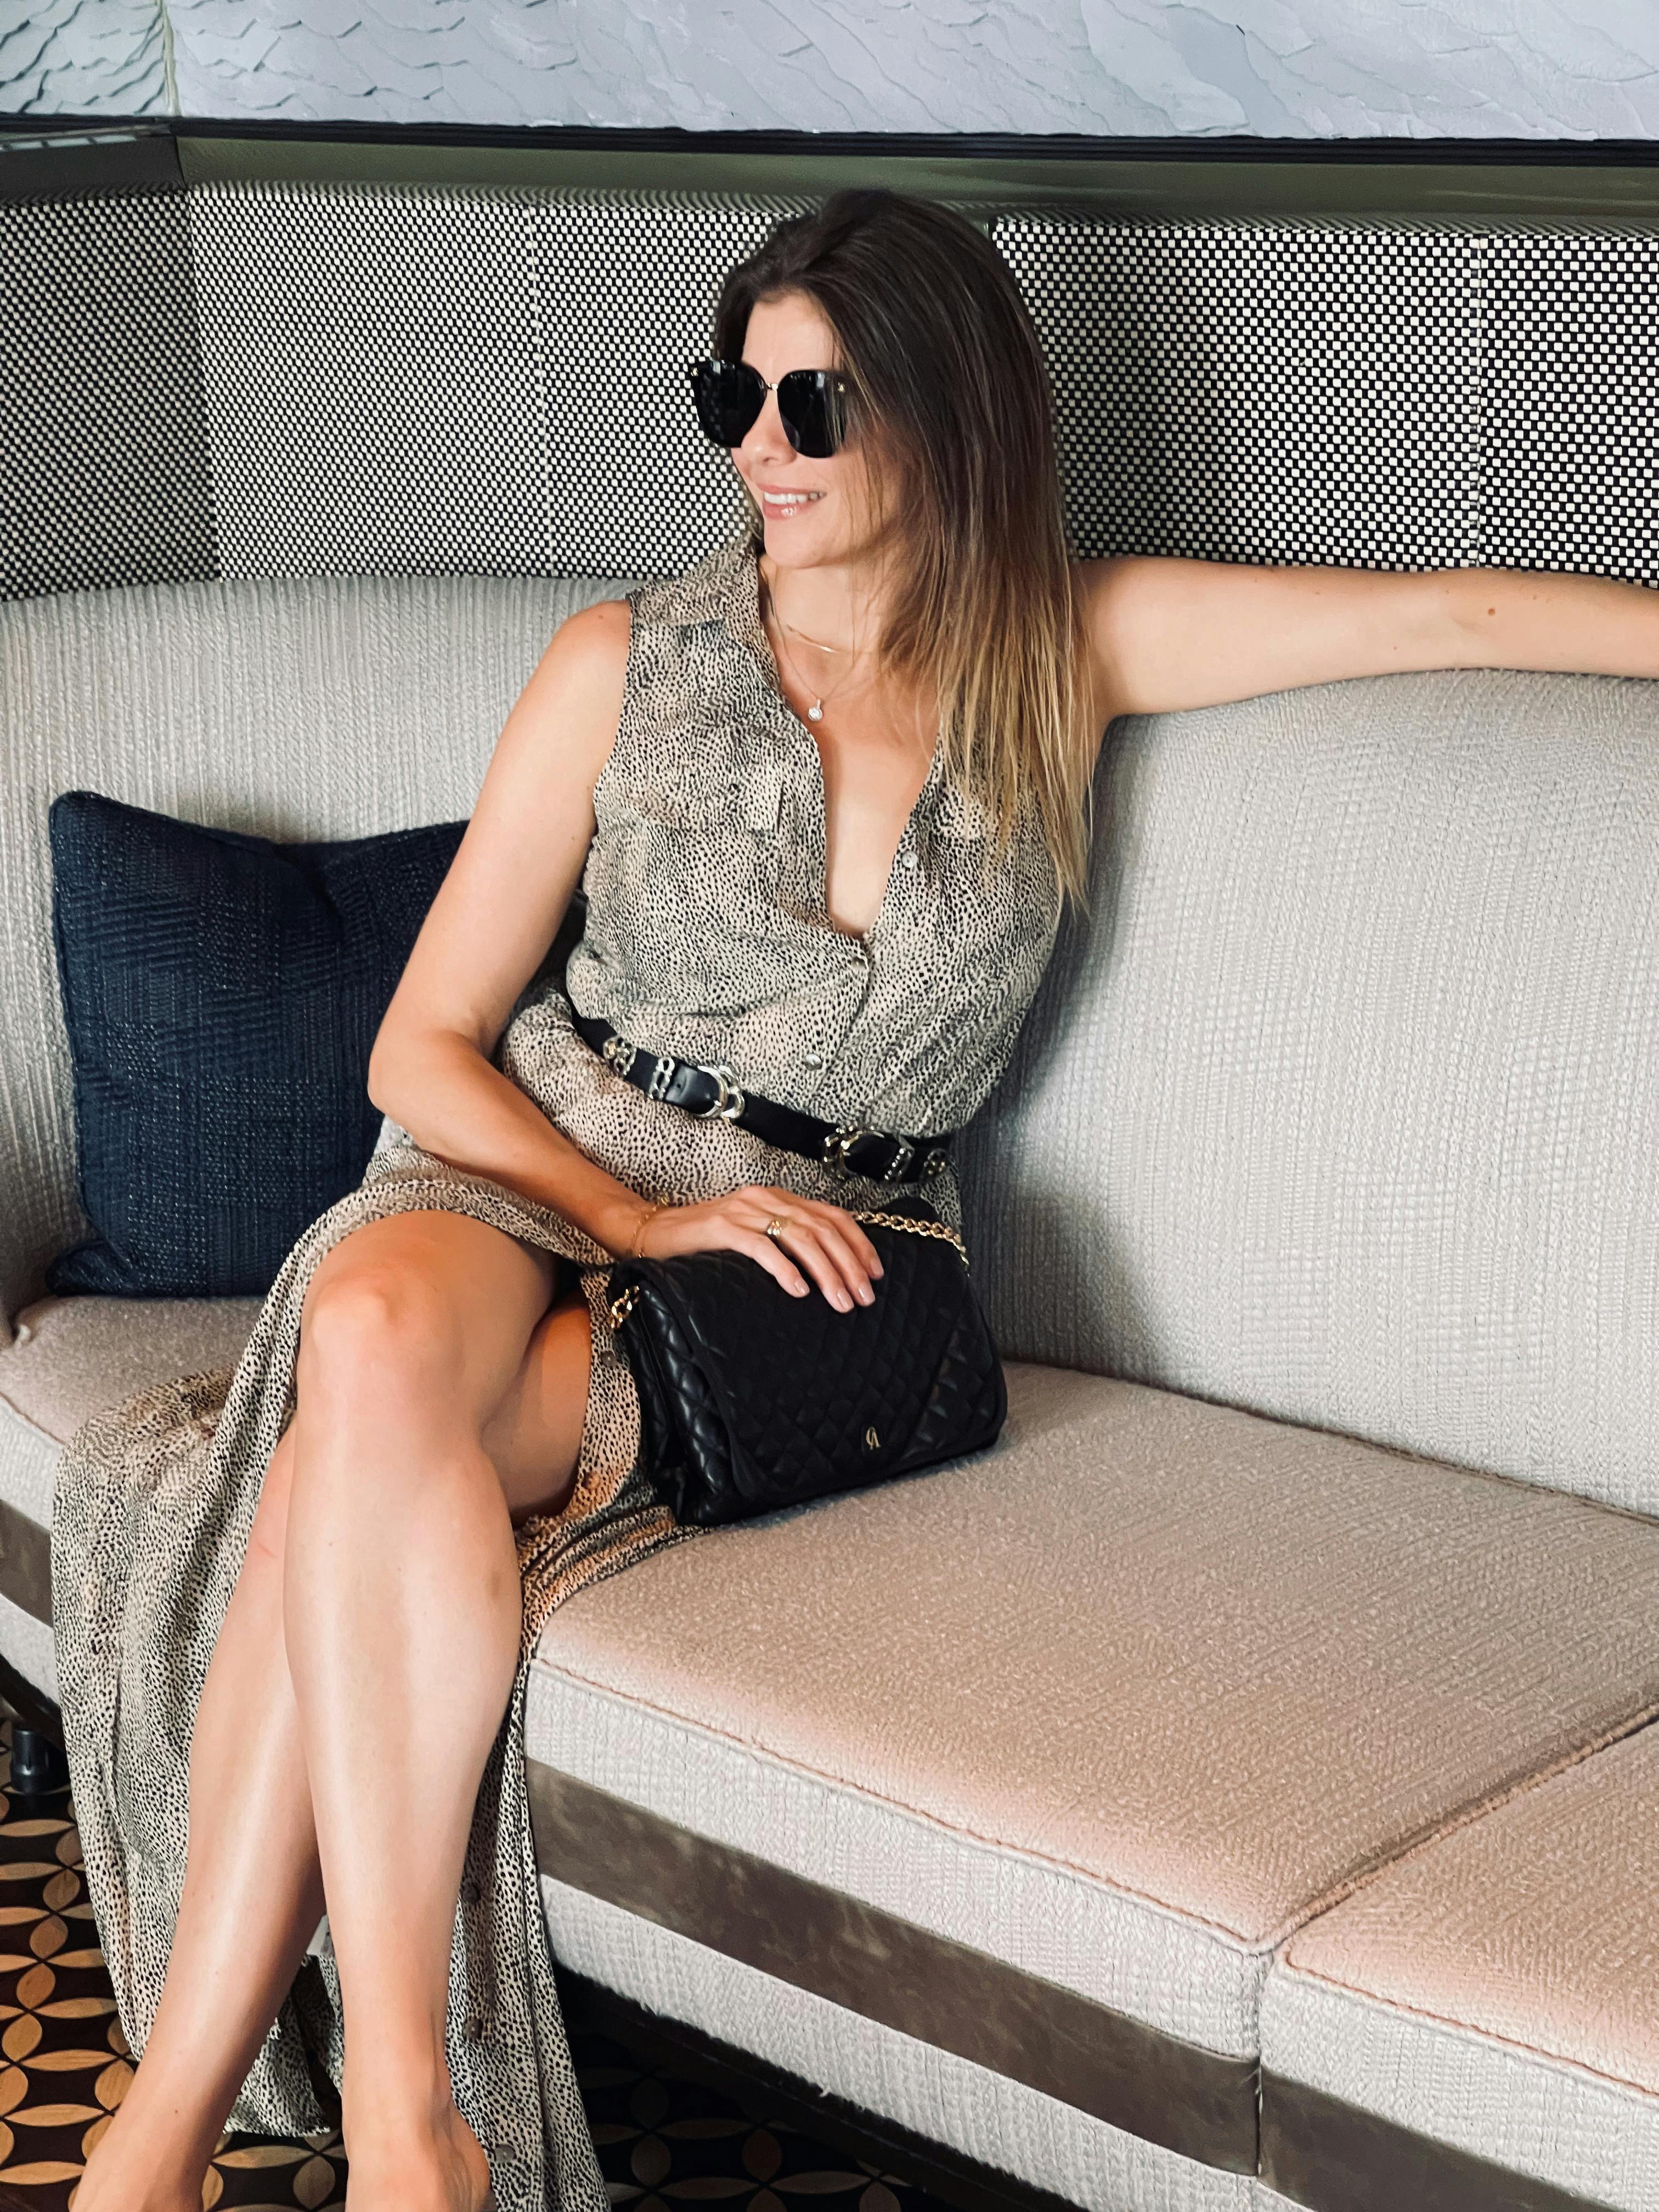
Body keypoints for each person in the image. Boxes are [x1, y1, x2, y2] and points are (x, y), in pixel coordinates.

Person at [57, 187, 1659, 2212]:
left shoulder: (1062, 650)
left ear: (940, 414)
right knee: (369, 1332)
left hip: (819, 1256)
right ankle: (406, 2124)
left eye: (812, 407)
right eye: (733, 396)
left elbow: (1452, 619)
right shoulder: (626, 660)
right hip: (534, 1166)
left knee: (333, 1468)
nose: (759, 448)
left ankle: (165, 2139)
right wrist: (634, 1219)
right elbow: (422, 1052)